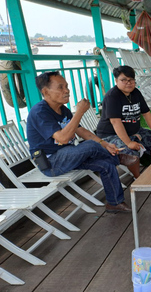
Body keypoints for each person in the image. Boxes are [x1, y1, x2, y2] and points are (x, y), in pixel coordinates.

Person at [27, 71, 134, 213]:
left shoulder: (62, 109)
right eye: (60, 87)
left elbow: (80, 130)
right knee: (89, 146)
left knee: (106, 165)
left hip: (69, 156)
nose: (67, 91)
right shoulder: (39, 112)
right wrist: (79, 112)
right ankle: (119, 158)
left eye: (66, 86)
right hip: (51, 163)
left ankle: (114, 203)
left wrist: (104, 144)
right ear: (46, 92)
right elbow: (63, 138)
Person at [96, 65, 151, 178]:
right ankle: (138, 178)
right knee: (129, 150)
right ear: (116, 80)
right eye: (124, 80)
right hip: (110, 135)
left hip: (134, 131)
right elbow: (115, 122)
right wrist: (128, 142)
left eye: (131, 80)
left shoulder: (136, 93)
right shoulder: (112, 96)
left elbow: (146, 112)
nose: (128, 83)